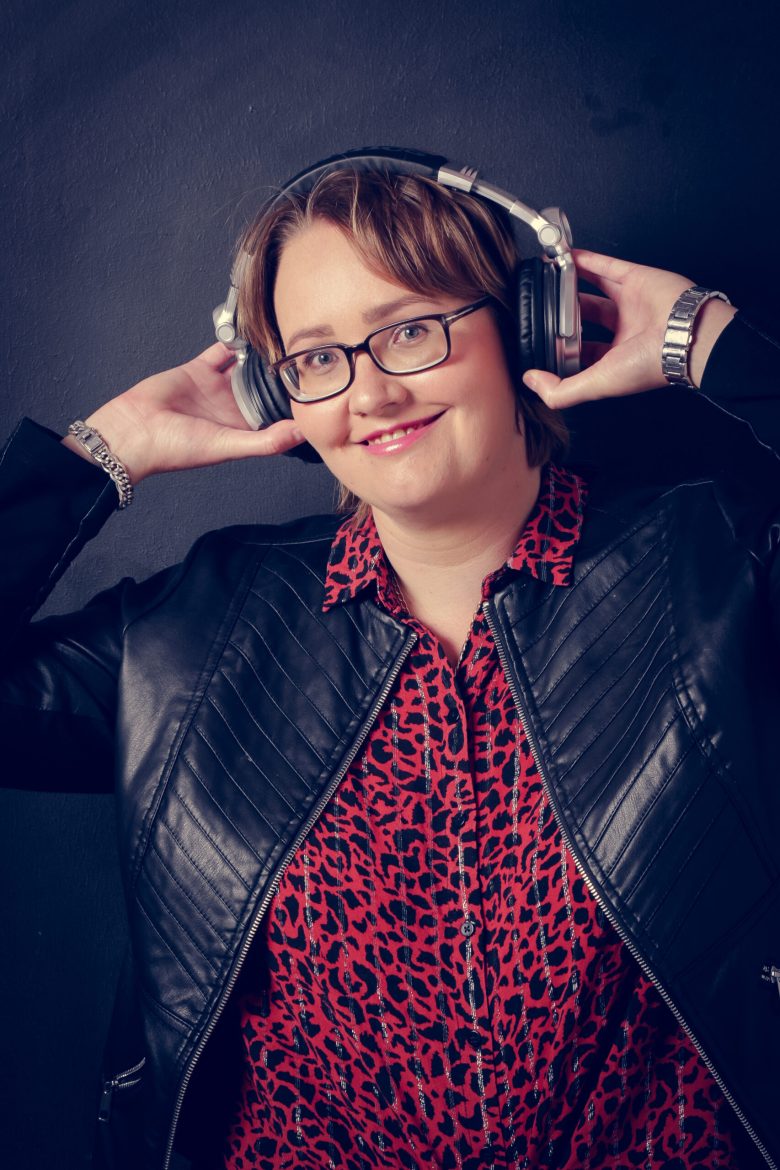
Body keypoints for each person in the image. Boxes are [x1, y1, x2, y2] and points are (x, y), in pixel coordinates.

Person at [2, 155, 779, 1170]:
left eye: (410, 329)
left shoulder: (719, 566)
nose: (368, 391)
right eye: (316, 357)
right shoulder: (193, 632)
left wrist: (707, 342)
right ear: (276, 392)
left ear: (529, 326)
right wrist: (103, 453)